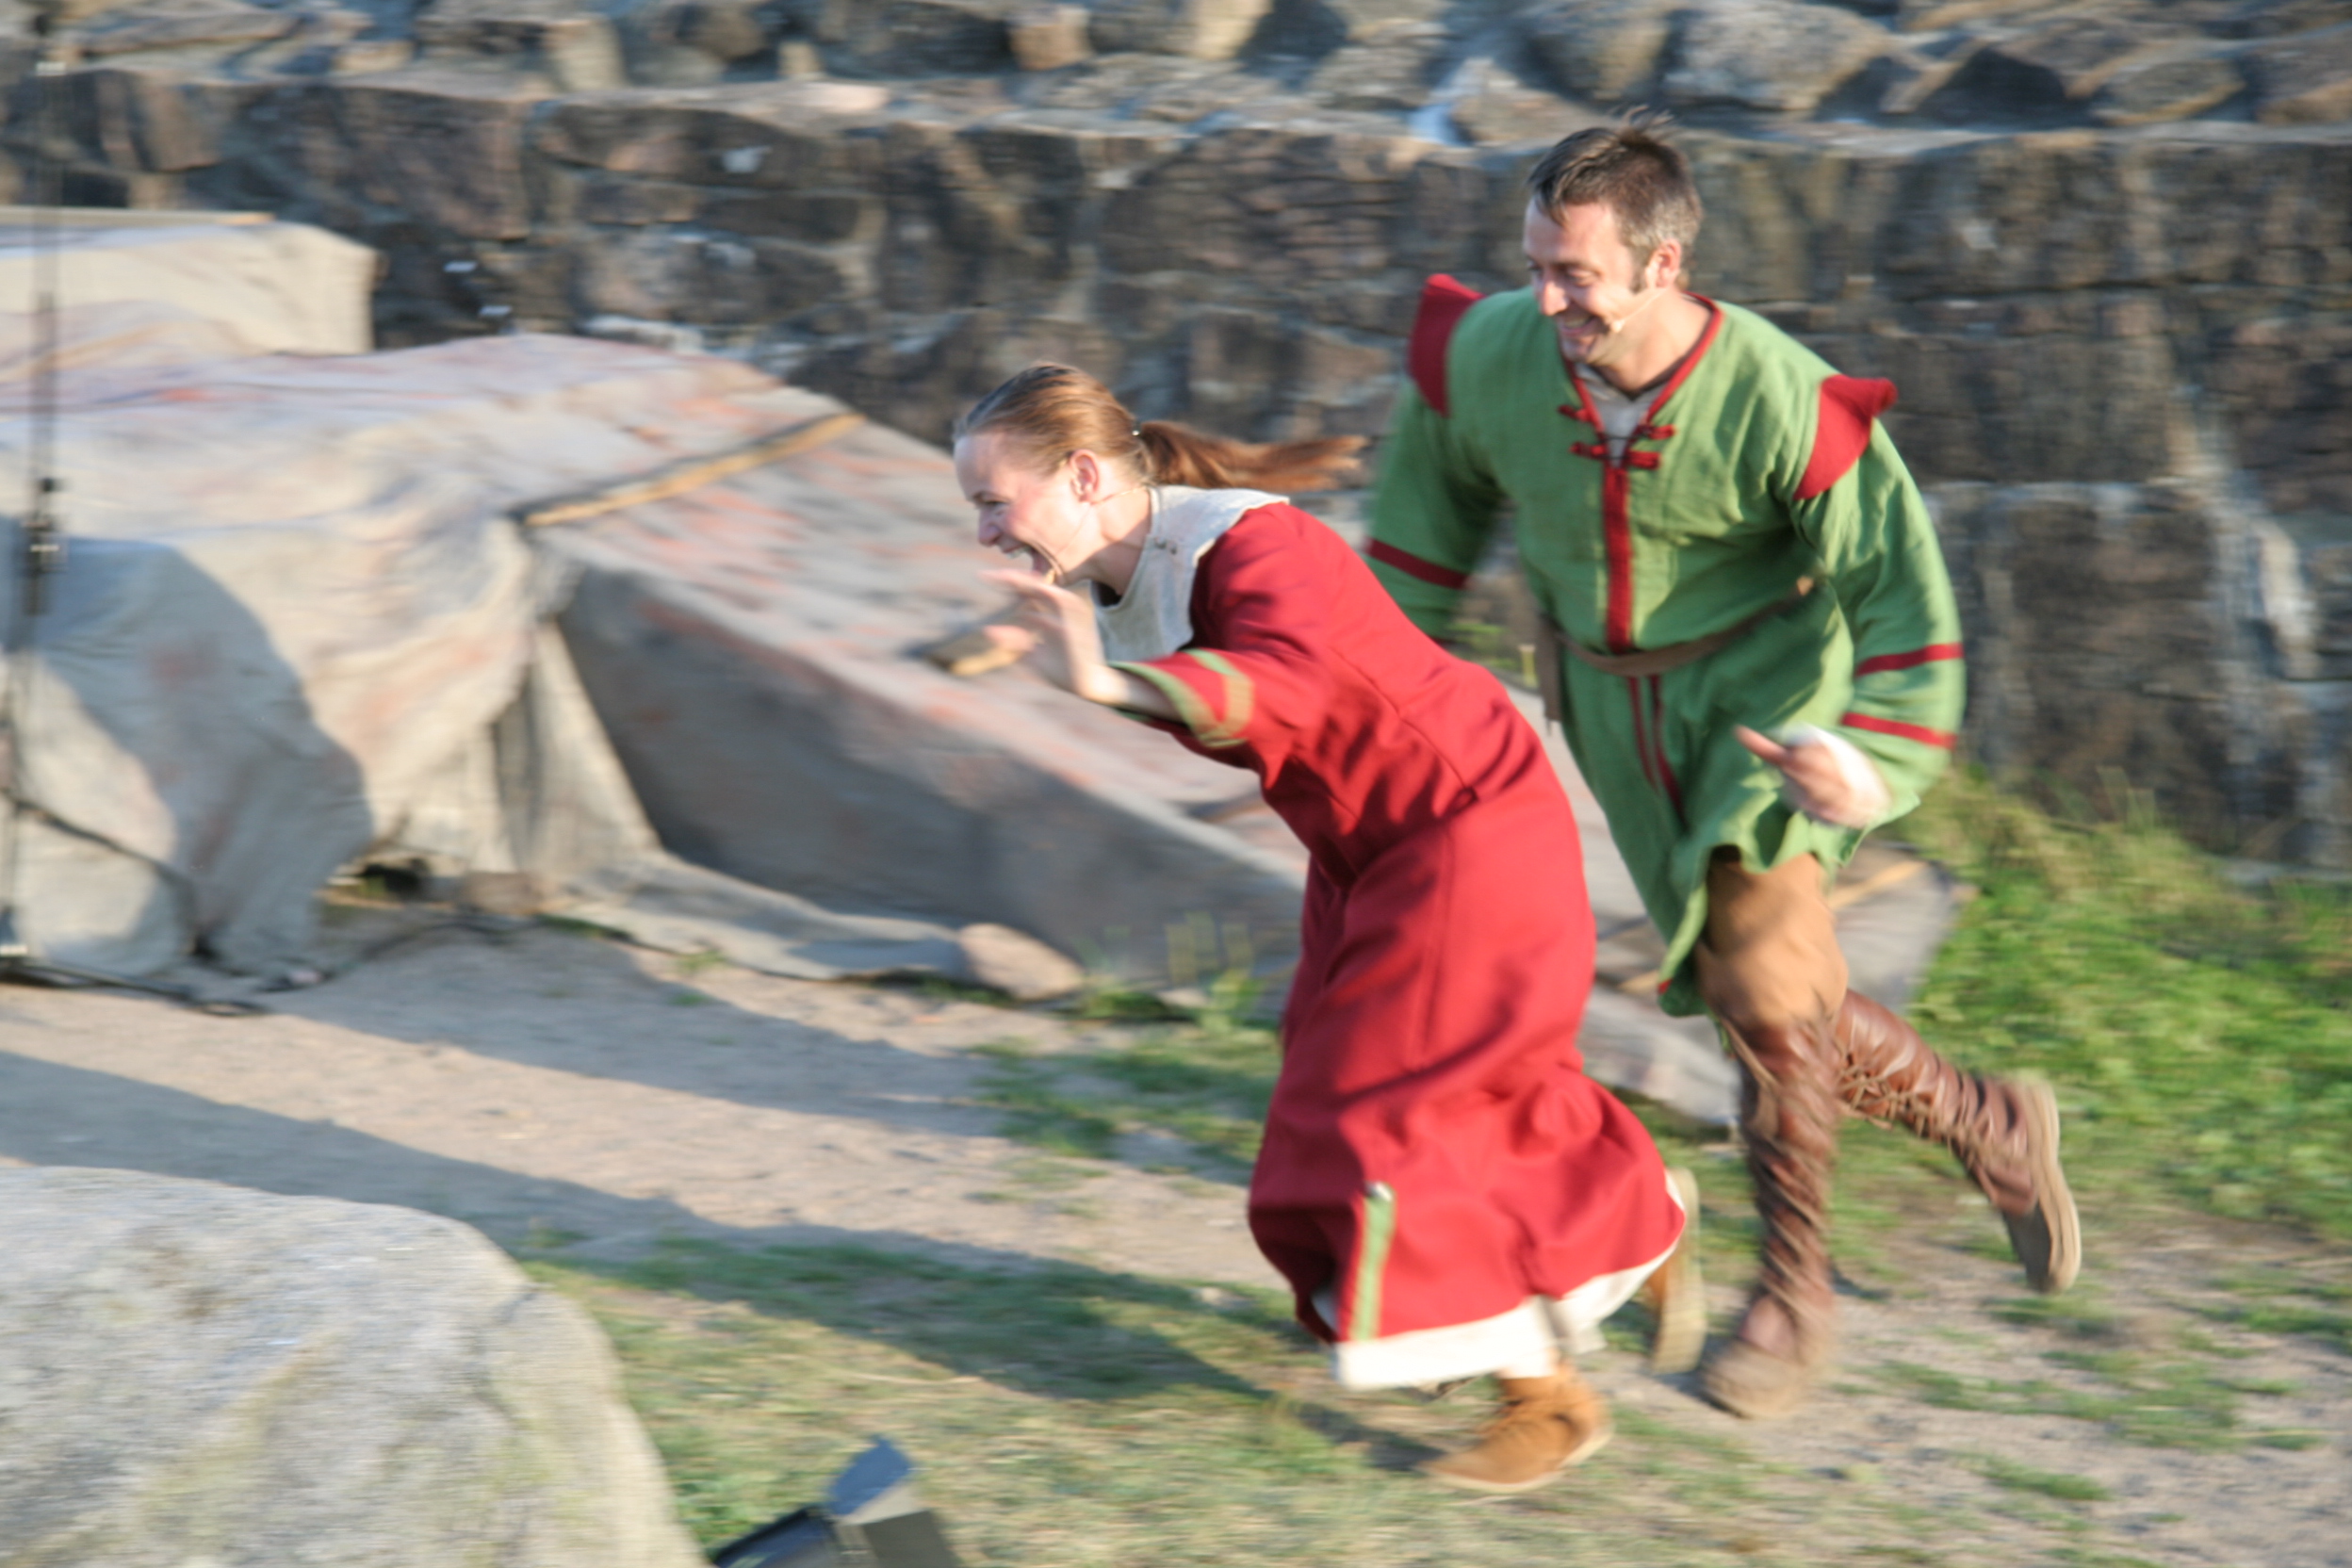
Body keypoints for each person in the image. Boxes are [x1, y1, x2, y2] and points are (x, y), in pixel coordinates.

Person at [1363, 113, 2081, 1421]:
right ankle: (1988, 1123)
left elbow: (1905, 601)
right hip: (1607, 714)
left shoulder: (1784, 398)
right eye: (1534, 266)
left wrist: (1868, 760)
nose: (1547, 300)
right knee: (1766, 993)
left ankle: (1792, 1291)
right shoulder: (1492, 355)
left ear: (1664, 264)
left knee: (1758, 971)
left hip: (1772, 714)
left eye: (1575, 274)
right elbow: (1420, 533)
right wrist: (1375, 705)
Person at [953, 362, 1702, 1494]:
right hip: (1371, 848)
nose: (985, 530)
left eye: (993, 501)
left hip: (1464, 829)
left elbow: (1282, 688)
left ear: (1086, 476)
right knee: (1384, 1070)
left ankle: (1547, 1397)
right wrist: (1085, 668)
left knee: (1376, 1108)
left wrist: (1100, 686)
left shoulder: (1259, 548)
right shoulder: (1137, 575)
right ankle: (1633, 1214)